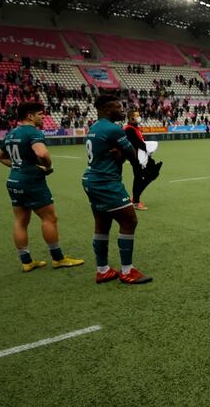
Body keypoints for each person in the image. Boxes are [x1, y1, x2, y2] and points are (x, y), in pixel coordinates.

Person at [0, 102, 84, 272]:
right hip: (31, 182)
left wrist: (19, 166)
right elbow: (42, 153)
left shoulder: (10, 134)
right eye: (40, 114)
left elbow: (1, 157)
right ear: (30, 116)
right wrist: (48, 167)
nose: (42, 117)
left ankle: (26, 261)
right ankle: (58, 258)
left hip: (14, 181)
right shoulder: (32, 132)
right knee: (49, 218)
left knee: (20, 221)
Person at [83, 95, 152, 284]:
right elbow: (131, 154)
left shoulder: (94, 128)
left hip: (92, 179)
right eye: (117, 107)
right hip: (106, 182)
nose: (121, 110)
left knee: (102, 224)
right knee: (130, 220)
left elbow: (109, 154)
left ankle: (103, 269)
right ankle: (127, 271)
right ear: (106, 109)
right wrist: (127, 158)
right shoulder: (113, 128)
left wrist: (119, 155)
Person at [124, 110, 161, 210]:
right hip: (137, 158)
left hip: (141, 157)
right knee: (139, 178)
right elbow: (137, 144)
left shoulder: (134, 128)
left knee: (151, 173)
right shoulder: (129, 129)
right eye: (137, 115)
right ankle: (136, 201)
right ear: (131, 118)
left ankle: (135, 197)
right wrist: (149, 148)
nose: (139, 117)